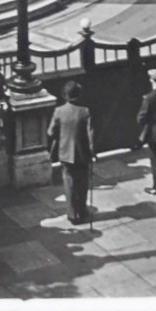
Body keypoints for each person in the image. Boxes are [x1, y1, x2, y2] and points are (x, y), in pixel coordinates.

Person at [45, 80, 97, 225]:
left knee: (69, 183)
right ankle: (83, 209)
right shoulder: (85, 111)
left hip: (65, 152)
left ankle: (72, 214)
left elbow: (50, 132)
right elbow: (90, 133)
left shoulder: (59, 111)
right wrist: (92, 150)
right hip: (82, 153)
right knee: (83, 182)